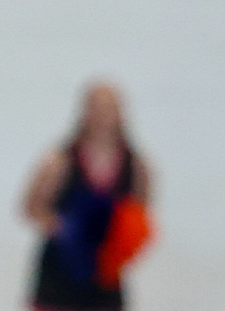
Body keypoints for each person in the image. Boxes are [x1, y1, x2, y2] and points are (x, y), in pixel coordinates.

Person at [21, 82, 154, 310]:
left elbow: (141, 212)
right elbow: (31, 206)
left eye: (110, 108)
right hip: (61, 273)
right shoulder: (61, 161)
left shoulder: (135, 165)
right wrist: (64, 228)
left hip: (104, 275)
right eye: (97, 108)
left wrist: (123, 240)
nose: (103, 116)